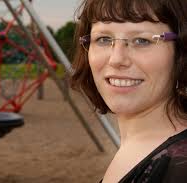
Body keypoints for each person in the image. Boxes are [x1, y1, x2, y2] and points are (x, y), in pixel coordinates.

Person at [70, 0, 187, 182]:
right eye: (104, 39)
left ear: (181, 51)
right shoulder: (143, 147)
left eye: (141, 40)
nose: (116, 59)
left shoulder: (179, 168)